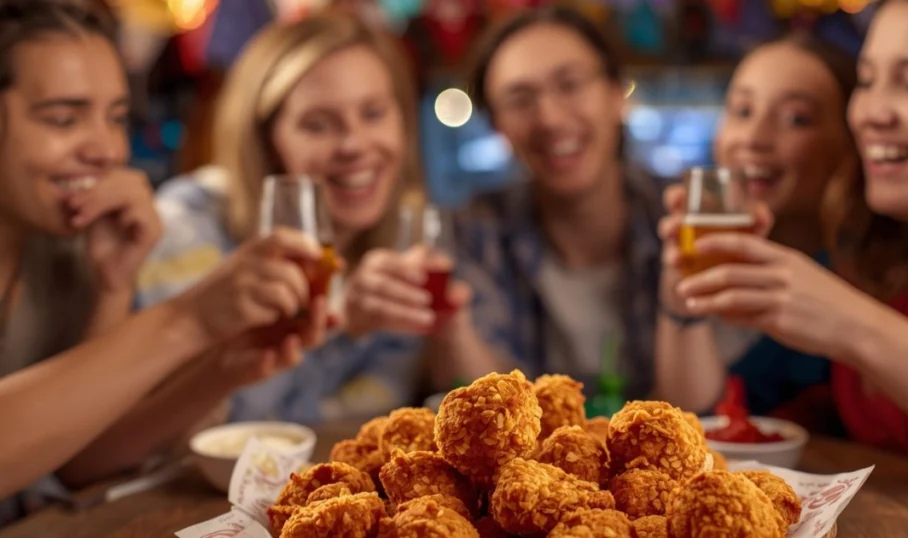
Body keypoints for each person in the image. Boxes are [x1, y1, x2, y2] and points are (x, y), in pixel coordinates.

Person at [672, 0, 908, 499]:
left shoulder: (852, 300)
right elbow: (726, 418)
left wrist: (859, 329)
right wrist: (680, 300)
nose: (871, 113)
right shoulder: (872, 265)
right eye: (868, 80)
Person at [0, 0, 330, 519]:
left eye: (115, 118)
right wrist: (187, 320)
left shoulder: (66, 249)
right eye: (64, 118)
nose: (107, 150)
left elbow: (74, 460)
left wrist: (219, 367)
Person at [349, 6, 658, 403]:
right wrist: (447, 323)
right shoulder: (474, 230)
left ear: (617, 94)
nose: (549, 118)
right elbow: (485, 402)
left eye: (570, 84)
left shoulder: (678, 220)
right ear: (498, 126)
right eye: (519, 99)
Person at [138, 13, 426, 424]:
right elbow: (214, 434)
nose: (355, 144)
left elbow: (377, 417)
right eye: (318, 124)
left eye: (374, 112)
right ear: (265, 142)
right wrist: (341, 328)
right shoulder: (186, 225)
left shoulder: (403, 238)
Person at [657, 34, 858, 418]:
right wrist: (679, 301)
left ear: (850, 141)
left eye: (795, 119)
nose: (753, 138)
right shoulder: (705, 250)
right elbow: (693, 428)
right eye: (743, 111)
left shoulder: (874, 274)